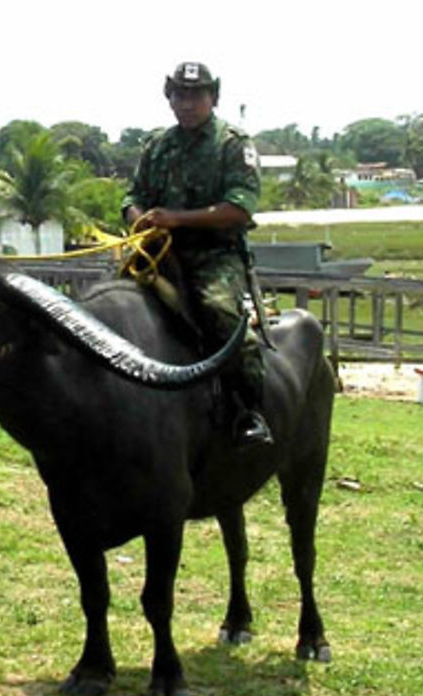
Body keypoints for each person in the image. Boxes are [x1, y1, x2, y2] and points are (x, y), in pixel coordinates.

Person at [122, 61, 272, 447]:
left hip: (214, 256)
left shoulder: (233, 144)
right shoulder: (157, 145)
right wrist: (139, 218)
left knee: (220, 313)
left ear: (213, 97)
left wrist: (175, 219)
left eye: (196, 95)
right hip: (156, 252)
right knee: (109, 304)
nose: (186, 103)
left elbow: (239, 209)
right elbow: (132, 196)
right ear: (169, 97)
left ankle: (250, 409)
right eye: (179, 95)